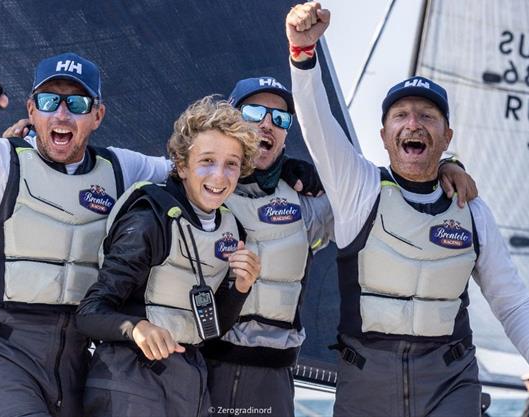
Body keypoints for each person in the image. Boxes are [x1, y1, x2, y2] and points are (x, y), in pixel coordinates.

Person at [285, 2, 529, 416]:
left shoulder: (472, 210)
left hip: (450, 381)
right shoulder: (357, 187)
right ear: (384, 135)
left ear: (446, 134)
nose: (413, 123)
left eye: (427, 115)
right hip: (367, 380)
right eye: (400, 115)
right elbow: (315, 121)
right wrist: (302, 52)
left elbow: (511, 301)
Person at [0, 52, 171, 417]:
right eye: (49, 100)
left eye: (77, 102)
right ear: (32, 109)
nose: (62, 113)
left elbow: (199, 171)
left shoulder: (122, 169)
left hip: (76, 356)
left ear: (97, 115)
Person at [201, 77, 478, 417]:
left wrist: (446, 168)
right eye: (255, 111)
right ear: (229, 119)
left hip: (271, 379)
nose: (267, 123)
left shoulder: (310, 205)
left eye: (281, 118)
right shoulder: (188, 187)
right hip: (199, 369)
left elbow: (386, 196)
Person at [75, 96, 262, 417]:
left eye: (231, 163)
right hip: (130, 378)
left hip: (188, 380)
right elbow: (90, 314)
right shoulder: (149, 220)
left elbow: (210, 328)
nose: (219, 176)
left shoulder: (232, 229)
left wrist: (240, 288)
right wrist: (136, 328)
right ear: (181, 164)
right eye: (207, 161)